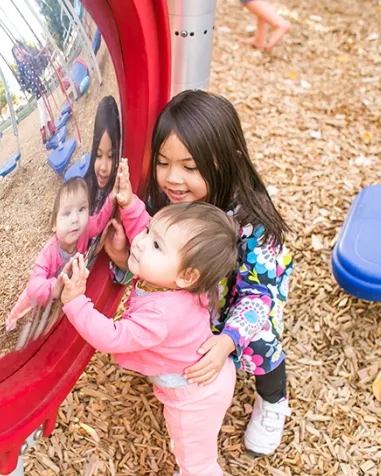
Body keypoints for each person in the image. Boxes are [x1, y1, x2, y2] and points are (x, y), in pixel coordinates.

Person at [103, 90, 294, 456]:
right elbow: (157, 259)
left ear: (225, 162)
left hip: (244, 301)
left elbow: (258, 297)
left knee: (261, 343)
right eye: (163, 163)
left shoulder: (252, 223)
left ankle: (273, 399)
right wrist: (127, 260)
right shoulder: (171, 201)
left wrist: (228, 341)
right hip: (196, 294)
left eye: (190, 167)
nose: (173, 178)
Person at [60, 159, 239, 475]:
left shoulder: (162, 315)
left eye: (154, 244)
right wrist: (129, 206)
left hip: (192, 396)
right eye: (148, 233)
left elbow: (113, 336)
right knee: (194, 442)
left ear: (186, 275)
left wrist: (76, 302)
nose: (140, 242)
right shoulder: (181, 280)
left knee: (196, 462)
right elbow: (150, 231)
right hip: (209, 377)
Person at [5, 178, 115, 331]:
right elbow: (34, 287)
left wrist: (112, 199)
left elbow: (98, 223)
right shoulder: (48, 253)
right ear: (54, 225)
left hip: (65, 283)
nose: (75, 219)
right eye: (67, 213)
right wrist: (54, 287)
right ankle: (11, 318)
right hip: (49, 284)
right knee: (27, 300)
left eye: (82, 209)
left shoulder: (83, 230)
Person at [12, 43, 55, 144]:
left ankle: (50, 126)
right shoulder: (20, 67)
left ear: (23, 50)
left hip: (39, 84)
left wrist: (27, 54)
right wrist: (28, 89)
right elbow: (21, 81)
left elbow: (35, 61)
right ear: (16, 59)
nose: (20, 55)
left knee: (44, 107)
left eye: (20, 52)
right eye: (17, 55)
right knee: (43, 109)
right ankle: (43, 129)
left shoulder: (28, 59)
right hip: (35, 88)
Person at [85, 95, 121, 214]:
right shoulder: (86, 187)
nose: (103, 167)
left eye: (110, 156)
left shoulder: (118, 193)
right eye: (99, 155)